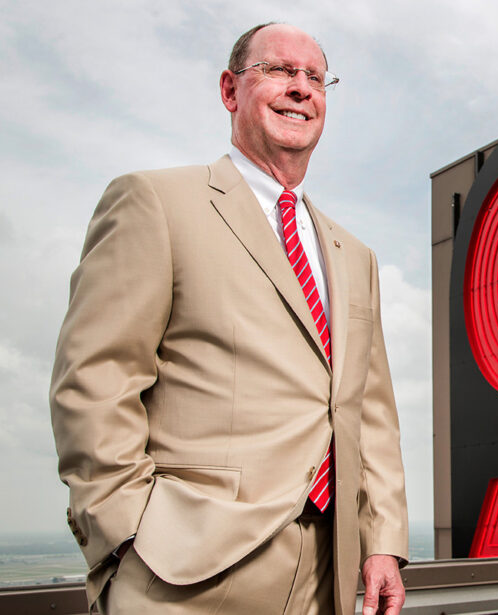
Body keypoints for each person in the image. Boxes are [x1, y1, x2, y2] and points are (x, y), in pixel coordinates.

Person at [49, 23, 408, 615]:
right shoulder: (155, 203)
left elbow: (372, 416)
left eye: (314, 77)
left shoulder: (355, 255)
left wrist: (385, 543)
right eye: (278, 71)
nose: (300, 88)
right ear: (229, 89)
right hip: (183, 575)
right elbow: (95, 380)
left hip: (333, 577)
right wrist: (127, 538)